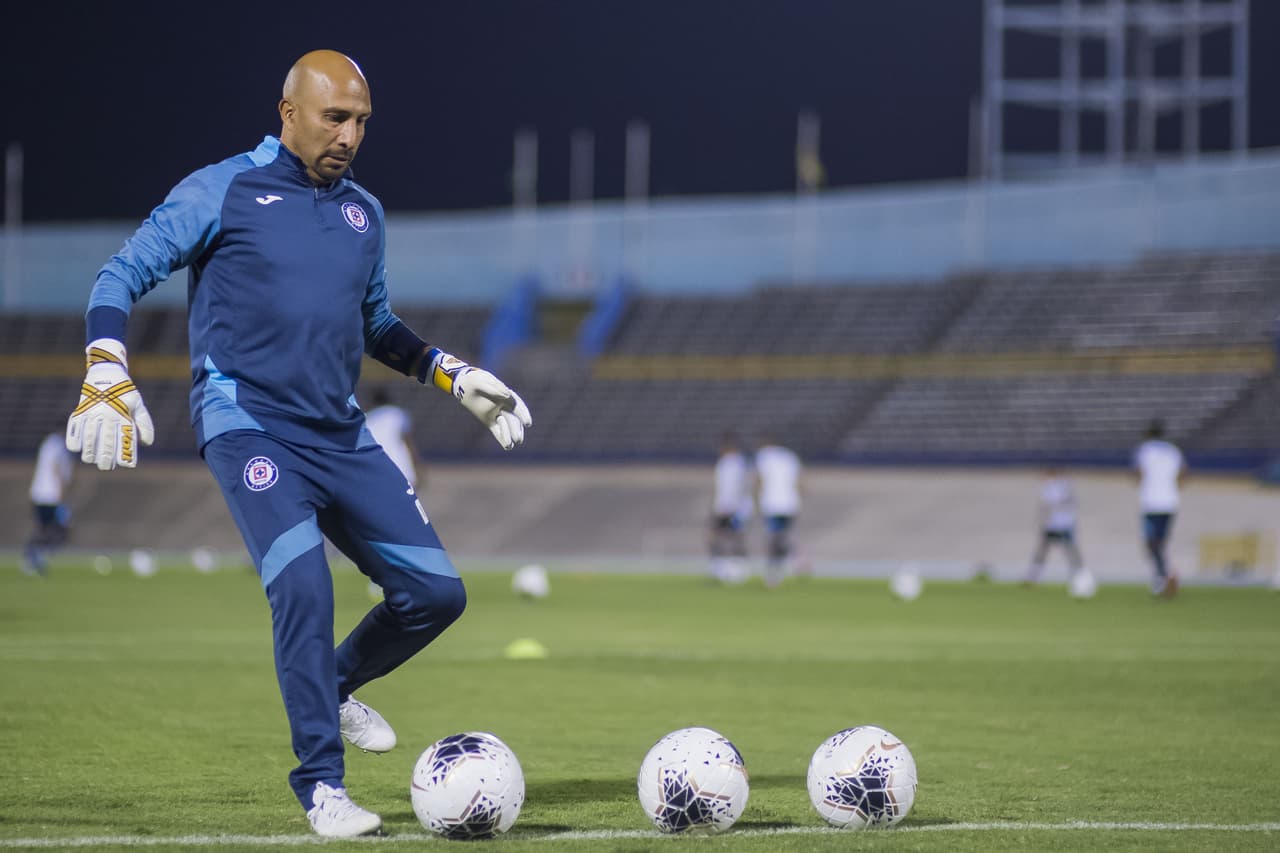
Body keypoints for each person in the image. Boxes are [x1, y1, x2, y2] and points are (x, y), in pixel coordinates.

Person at [64, 51, 531, 838]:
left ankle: (335, 684)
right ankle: (321, 785)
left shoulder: (364, 215)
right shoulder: (222, 189)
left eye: (361, 122)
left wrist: (449, 373)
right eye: (334, 118)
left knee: (437, 595)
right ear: (289, 112)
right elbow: (120, 274)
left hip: (338, 434)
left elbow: (375, 325)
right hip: (249, 426)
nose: (349, 135)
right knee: (305, 590)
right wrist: (106, 361)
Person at [362, 388, 423, 598]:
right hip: (402, 473)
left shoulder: (367, 419)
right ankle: (406, 576)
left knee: (383, 529)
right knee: (406, 527)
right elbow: (407, 442)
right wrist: (418, 469)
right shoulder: (398, 415)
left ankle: (385, 577)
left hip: (377, 475)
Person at [1132, 420, 1186, 598]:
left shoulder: (1144, 450)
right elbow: (1182, 475)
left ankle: (1162, 578)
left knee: (1151, 543)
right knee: (1159, 543)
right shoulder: (1173, 451)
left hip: (1151, 503)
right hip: (1170, 502)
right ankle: (1163, 576)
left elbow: (1138, 474)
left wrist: (1142, 483)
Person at [23, 428, 75, 576]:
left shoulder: (49, 443)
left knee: (45, 528)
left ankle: (34, 558)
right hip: (50, 496)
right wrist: (61, 490)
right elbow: (56, 467)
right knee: (54, 529)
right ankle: (33, 557)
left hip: (41, 494)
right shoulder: (57, 444)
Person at [753, 434, 802, 587]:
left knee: (772, 540)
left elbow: (760, 480)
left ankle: (773, 575)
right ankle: (792, 560)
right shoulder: (790, 457)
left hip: (772, 504)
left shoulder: (764, 456)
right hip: (790, 504)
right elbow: (799, 481)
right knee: (781, 537)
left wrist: (756, 501)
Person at [1023, 465, 1084, 585]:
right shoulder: (1064, 485)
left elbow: (1047, 505)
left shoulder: (1054, 486)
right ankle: (1078, 574)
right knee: (1056, 549)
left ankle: (1079, 575)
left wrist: (1043, 520)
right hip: (1060, 524)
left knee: (1065, 550)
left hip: (1058, 524)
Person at [708, 431, 752, 583]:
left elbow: (741, 486)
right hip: (724, 507)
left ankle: (736, 571)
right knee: (720, 537)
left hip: (732, 508)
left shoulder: (737, 463)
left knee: (733, 538)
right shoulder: (726, 463)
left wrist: (740, 507)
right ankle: (721, 570)